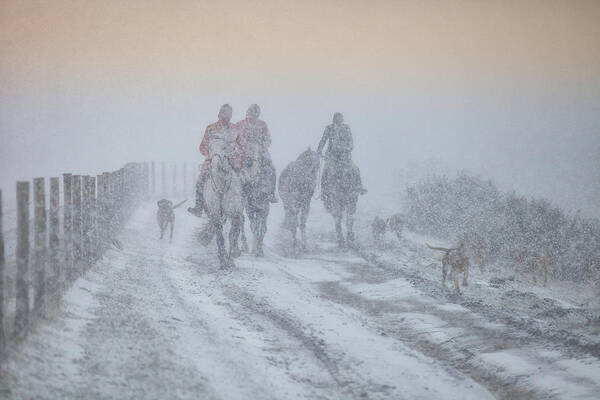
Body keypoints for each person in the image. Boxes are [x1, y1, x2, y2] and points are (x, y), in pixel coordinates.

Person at [188, 104, 242, 217]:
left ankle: (242, 205)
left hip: (231, 161)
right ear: (218, 115)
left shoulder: (235, 129)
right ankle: (198, 207)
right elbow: (202, 147)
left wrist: (234, 153)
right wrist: (212, 154)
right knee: (200, 181)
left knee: (243, 179)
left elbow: (242, 146)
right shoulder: (210, 128)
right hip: (213, 161)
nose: (225, 119)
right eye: (223, 116)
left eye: (227, 117)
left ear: (231, 117)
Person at [234, 104, 278, 203]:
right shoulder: (239, 125)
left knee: (271, 169)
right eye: (249, 114)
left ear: (257, 115)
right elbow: (234, 140)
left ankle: (271, 193)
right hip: (242, 154)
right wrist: (241, 149)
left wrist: (262, 147)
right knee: (233, 169)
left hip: (259, 153)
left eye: (254, 115)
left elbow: (268, 139)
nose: (251, 117)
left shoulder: (263, 125)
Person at [317, 112, 366, 198]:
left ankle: (359, 186)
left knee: (355, 169)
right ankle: (324, 192)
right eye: (337, 118)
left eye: (340, 118)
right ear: (334, 119)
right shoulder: (329, 128)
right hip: (332, 156)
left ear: (342, 119)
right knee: (326, 170)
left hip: (345, 156)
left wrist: (346, 149)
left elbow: (351, 142)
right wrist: (319, 150)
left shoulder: (346, 128)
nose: (338, 120)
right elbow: (323, 140)